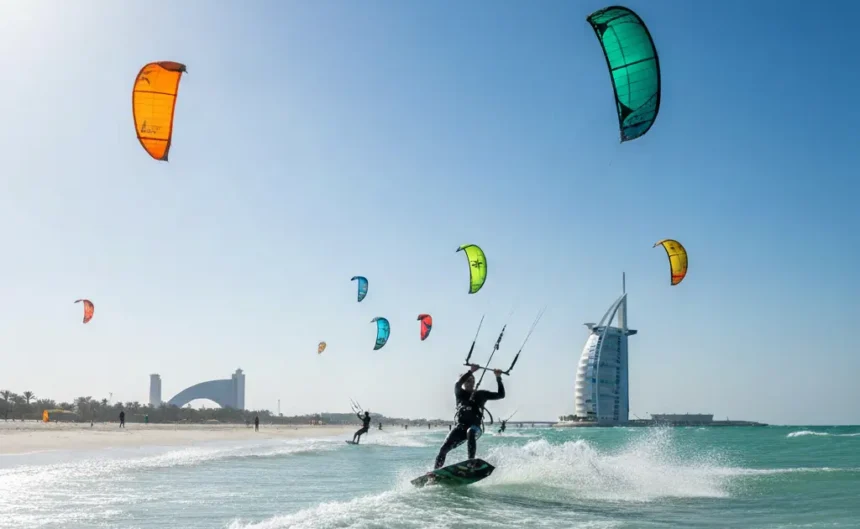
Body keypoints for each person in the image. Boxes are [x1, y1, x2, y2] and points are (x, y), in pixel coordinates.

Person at [433, 364, 505, 470]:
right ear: (464, 383)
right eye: (467, 381)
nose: (470, 382)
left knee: (470, 431)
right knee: (443, 449)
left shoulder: (481, 394)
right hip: (460, 429)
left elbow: (501, 395)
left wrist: (498, 377)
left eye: (472, 380)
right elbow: (458, 383)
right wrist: (470, 371)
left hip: (475, 429)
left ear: (474, 382)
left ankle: (470, 461)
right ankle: (435, 472)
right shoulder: (459, 393)